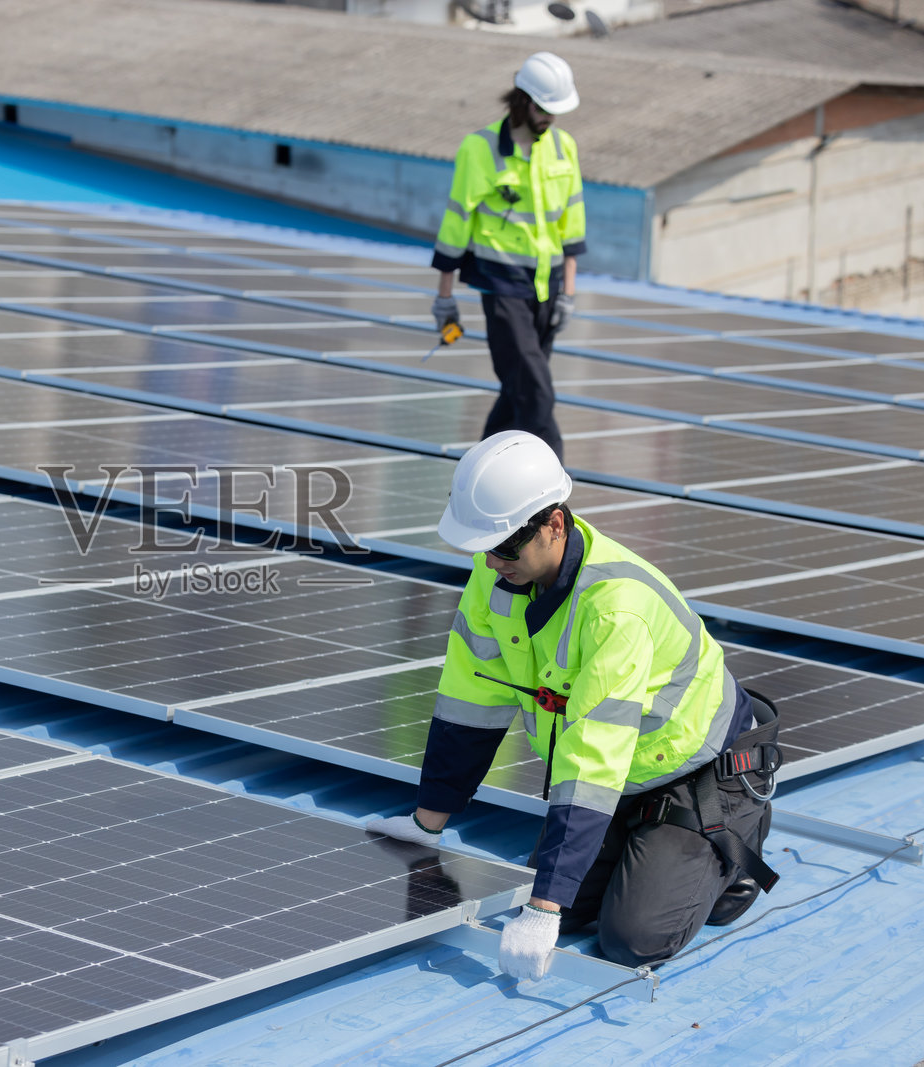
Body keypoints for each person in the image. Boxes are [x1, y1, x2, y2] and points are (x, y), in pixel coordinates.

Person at [368, 431, 781, 979]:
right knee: (572, 901)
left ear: (554, 524)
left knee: (630, 938)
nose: (493, 561)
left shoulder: (616, 609)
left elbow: (592, 752)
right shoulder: (494, 578)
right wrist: (428, 822)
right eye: (484, 547)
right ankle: (641, 841)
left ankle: (735, 851)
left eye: (507, 546)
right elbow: (470, 702)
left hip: (697, 773)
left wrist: (542, 912)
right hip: (622, 778)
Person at [430, 52, 586, 462]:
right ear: (523, 101)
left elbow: (572, 224)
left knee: (516, 393)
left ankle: (480, 468)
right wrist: (445, 299)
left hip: (547, 286)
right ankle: (555, 490)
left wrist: (568, 292)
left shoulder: (563, 147)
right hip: (502, 289)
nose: (551, 119)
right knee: (536, 393)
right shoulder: (479, 149)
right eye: (545, 110)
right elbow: (456, 224)